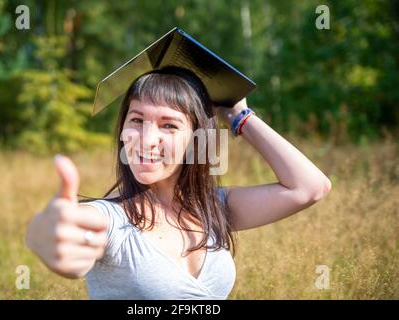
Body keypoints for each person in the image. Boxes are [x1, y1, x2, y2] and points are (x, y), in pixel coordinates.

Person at [25, 66, 331, 299]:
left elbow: (310, 187)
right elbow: (64, 232)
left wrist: (239, 116)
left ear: (197, 140)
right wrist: (45, 233)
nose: (147, 139)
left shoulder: (215, 208)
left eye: (168, 125)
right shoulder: (110, 219)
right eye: (136, 120)